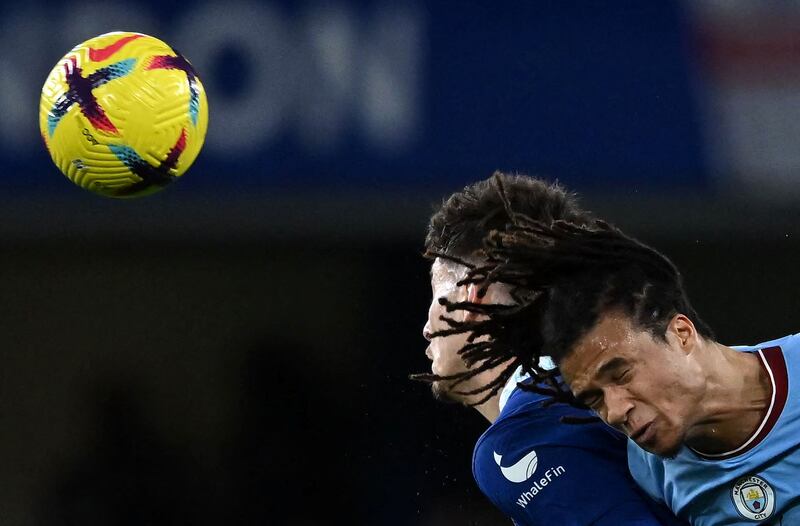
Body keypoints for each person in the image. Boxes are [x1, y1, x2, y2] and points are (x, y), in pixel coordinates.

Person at [443, 195, 800, 525]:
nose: (614, 411)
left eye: (621, 373)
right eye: (594, 399)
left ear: (681, 334)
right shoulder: (650, 474)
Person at [413, 173, 684, 525]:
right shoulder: (622, 391)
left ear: (472, 295)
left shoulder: (519, 441)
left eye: (436, 297)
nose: (426, 327)